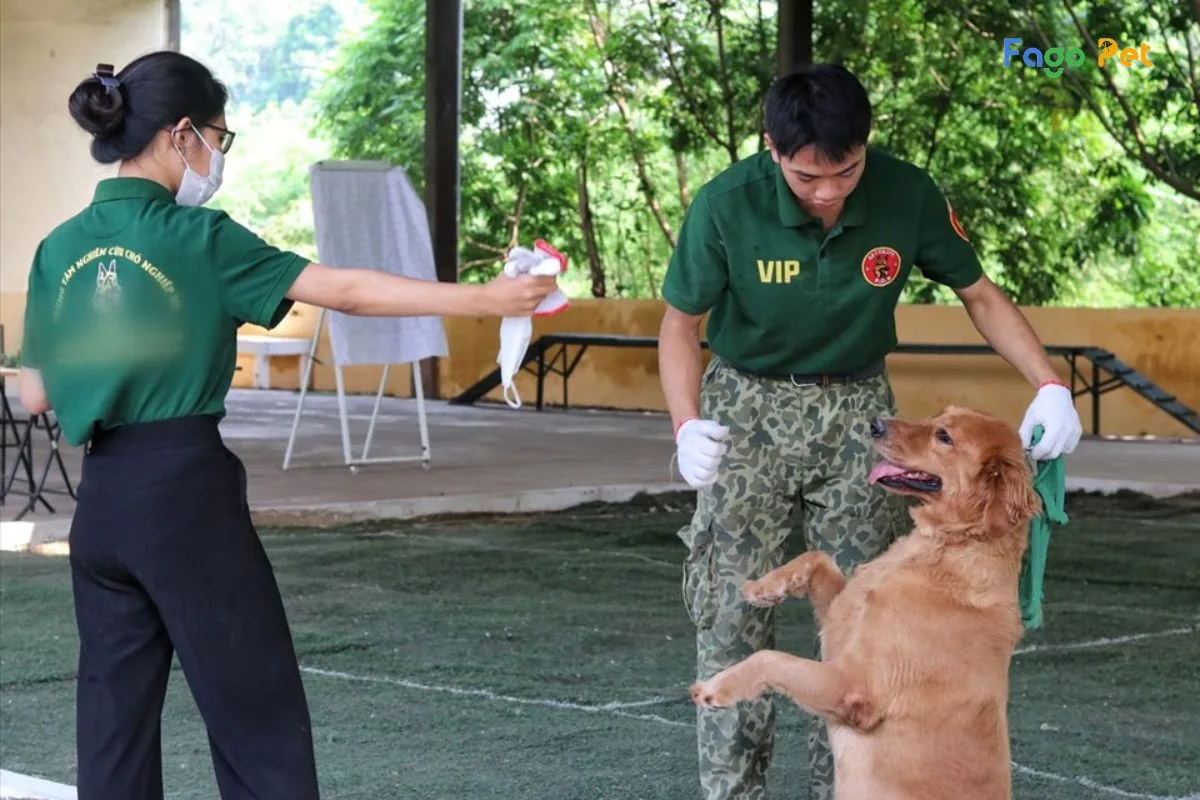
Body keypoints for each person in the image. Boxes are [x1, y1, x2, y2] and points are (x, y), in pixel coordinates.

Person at [17, 52, 558, 800]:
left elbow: (36, 393)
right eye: (218, 137)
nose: (217, 155)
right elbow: (347, 292)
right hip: (184, 492)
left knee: (113, 718)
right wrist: (490, 300)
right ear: (180, 134)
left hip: (101, 500)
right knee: (254, 710)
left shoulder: (58, 248)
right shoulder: (200, 238)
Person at [657, 64, 1082, 800]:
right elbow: (679, 325)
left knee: (866, 622)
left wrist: (1048, 382)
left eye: (845, 172)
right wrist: (686, 422)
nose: (826, 192)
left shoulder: (906, 193)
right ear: (772, 148)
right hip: (748, 412)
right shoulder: (725, 205)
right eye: (804, 177)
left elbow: (978, 295)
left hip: (861, 414)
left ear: (866, 146)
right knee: (732, 613)